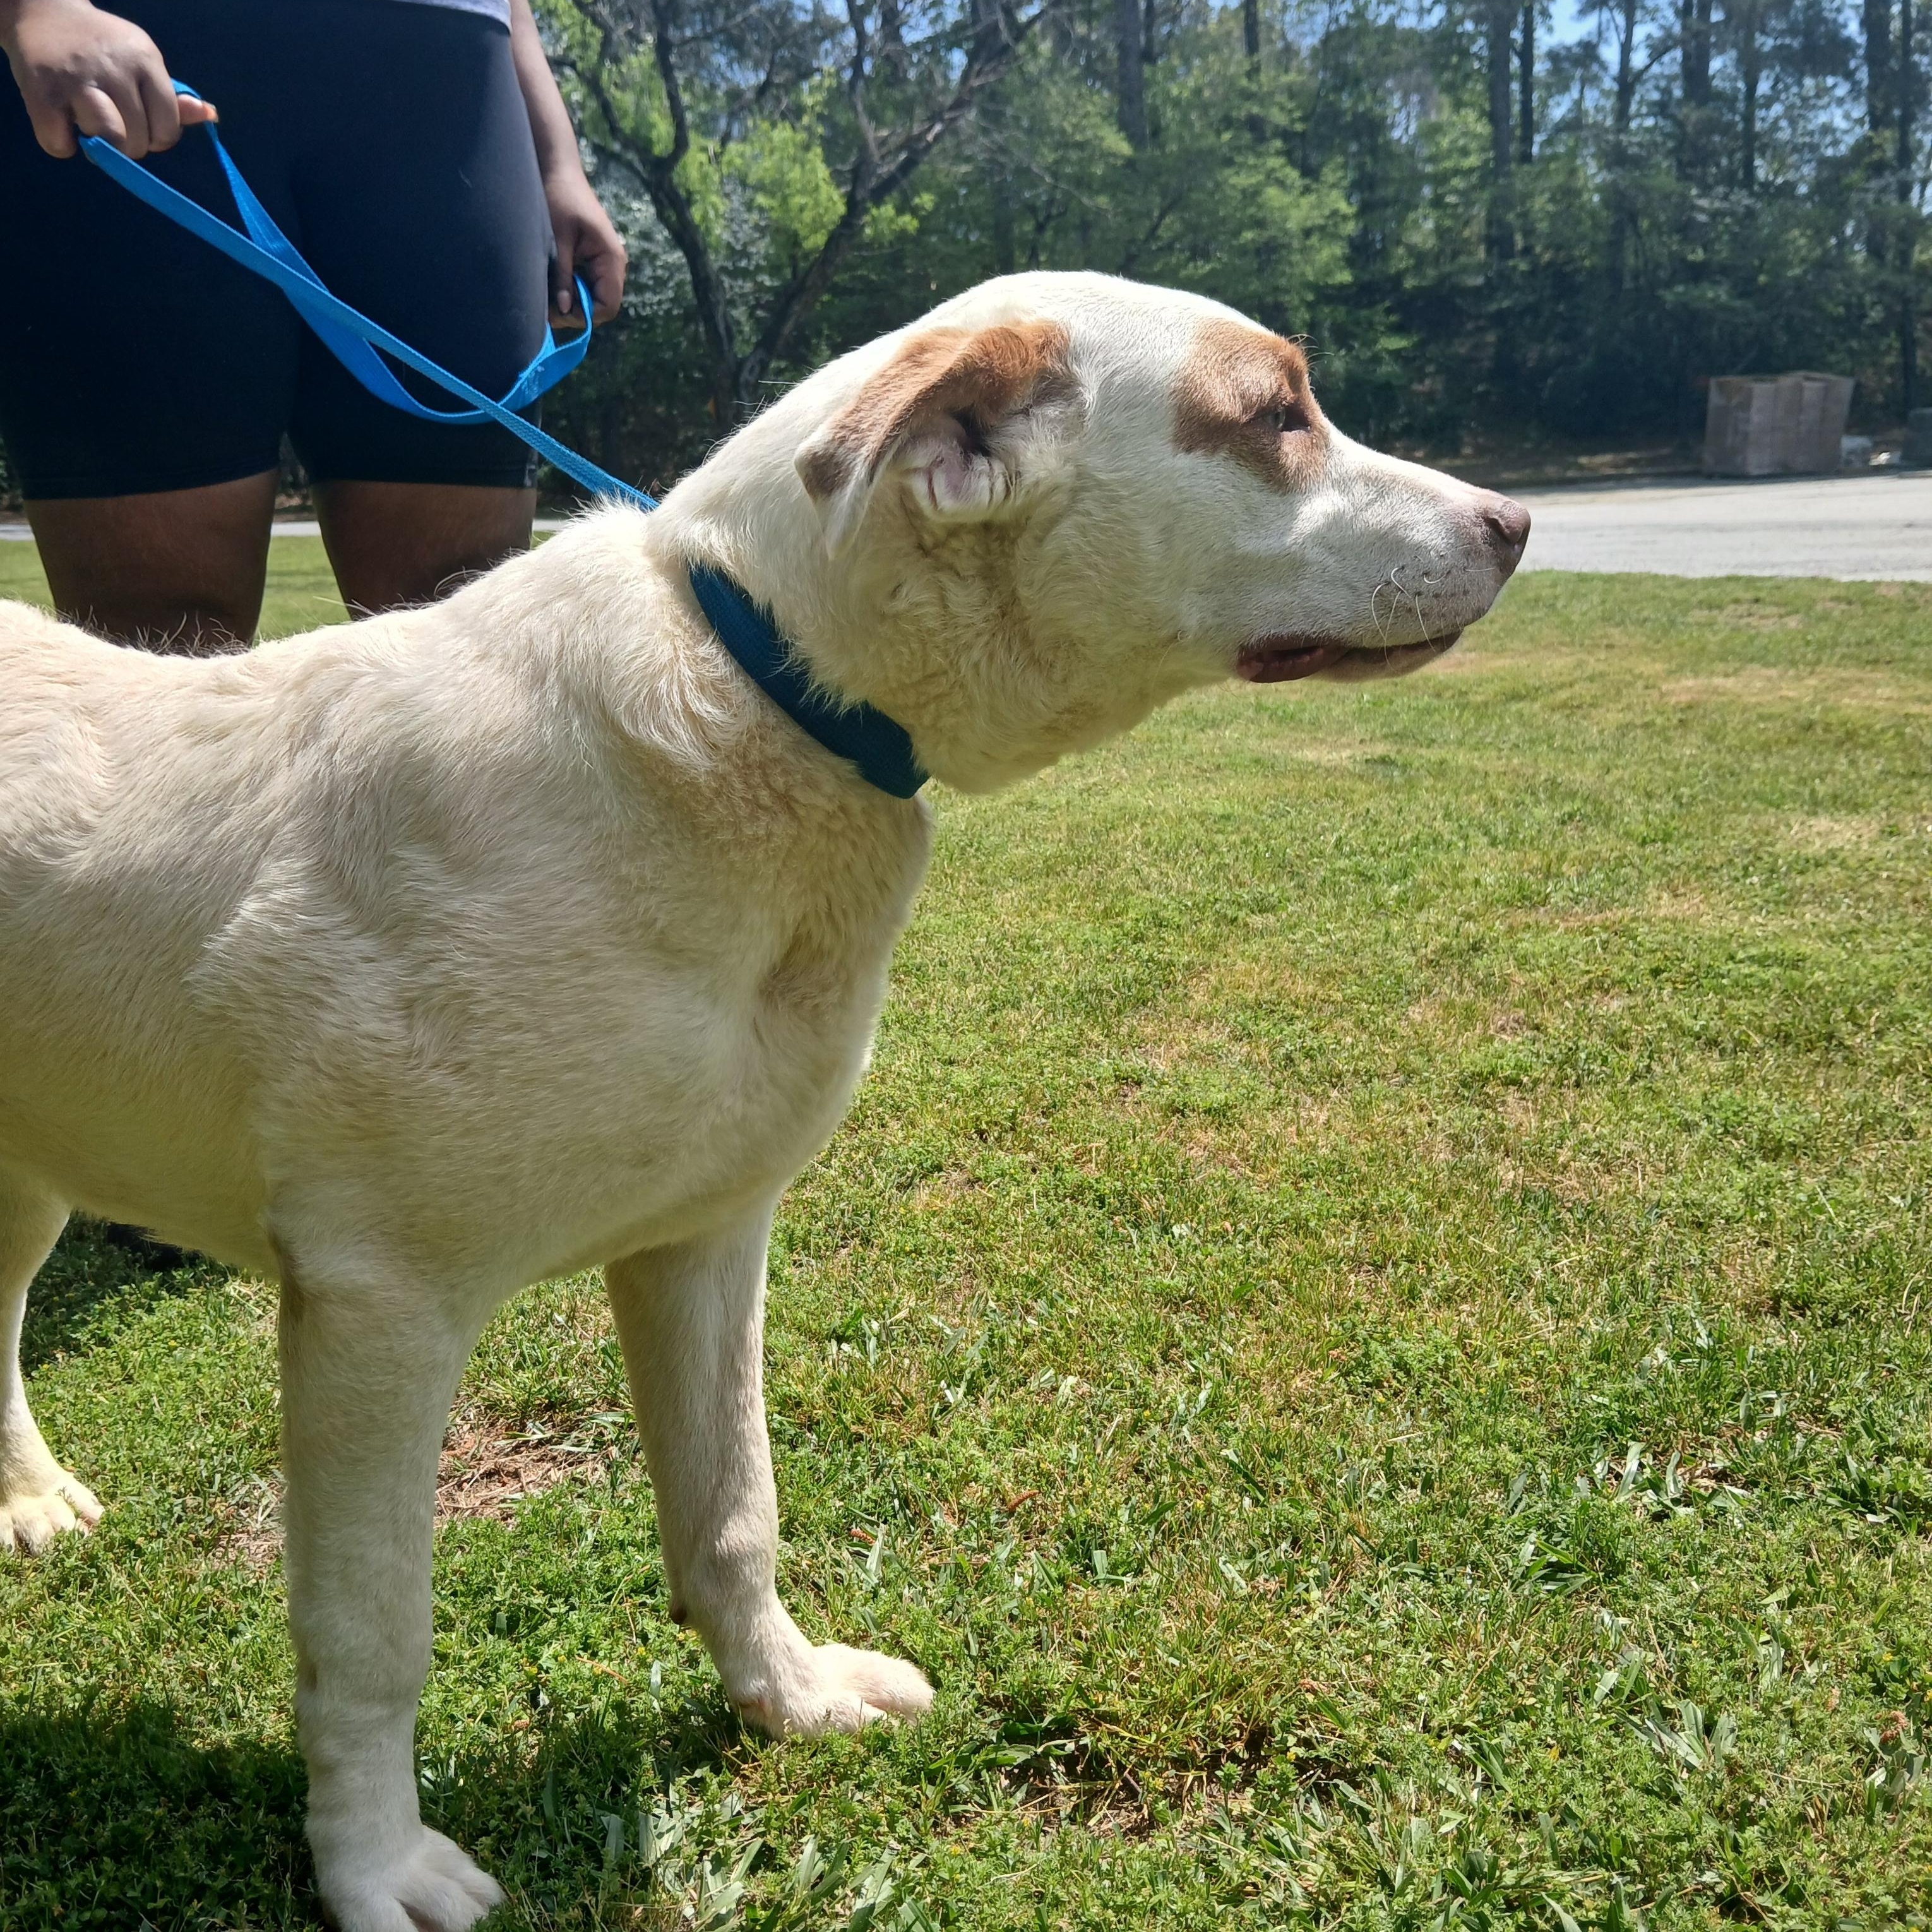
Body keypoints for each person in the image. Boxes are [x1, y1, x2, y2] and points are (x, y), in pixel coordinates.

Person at [0, 0, 626, 650]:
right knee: (159, 638)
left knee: (461, 640)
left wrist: (558, 161)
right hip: (134, 63)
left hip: (449, 83)